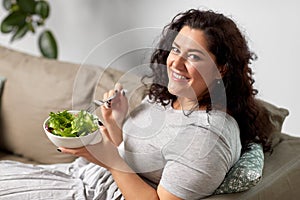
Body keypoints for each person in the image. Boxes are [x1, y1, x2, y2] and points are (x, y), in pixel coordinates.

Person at [0, 9, 272, 200]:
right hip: (83, 177)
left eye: (193, 56)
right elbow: (139, 160)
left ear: (221, 69)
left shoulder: (206, 138)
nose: (175, 63)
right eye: (175, 50)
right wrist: (115, 121)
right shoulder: (173, 98)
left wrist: (108, 158)